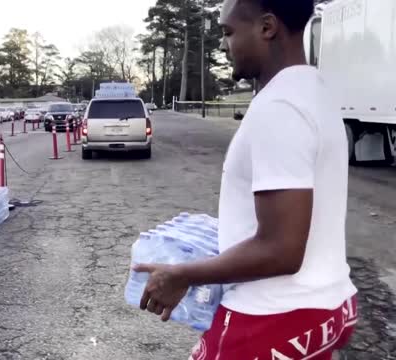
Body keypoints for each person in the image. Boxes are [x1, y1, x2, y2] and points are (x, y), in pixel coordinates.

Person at [134, 0, 359, 358]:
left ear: (267, 27)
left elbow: (282, 249)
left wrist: (183, 274)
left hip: (275, 317)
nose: (224, 45)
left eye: (228, 32)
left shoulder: (280, 107)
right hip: (326, 306)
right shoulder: (314, 90)